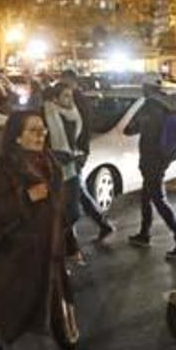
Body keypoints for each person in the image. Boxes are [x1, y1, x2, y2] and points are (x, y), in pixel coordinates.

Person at [0, 111, 104, 350]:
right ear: (16, 137)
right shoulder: (0, 169)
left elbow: (57, 213)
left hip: (48, 257)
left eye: (43, 129)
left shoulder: (50, 164)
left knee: (59, 315)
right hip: (14, 260)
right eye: (33, 130)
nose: (41, 134)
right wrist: (25, 198)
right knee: (9, 316)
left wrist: (70, 245)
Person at [44, 82, 115, 258]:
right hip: (56, 166)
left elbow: (83, 137)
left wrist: (82, 155)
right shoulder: (48, 114)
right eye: (65, 96)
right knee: (70, 206)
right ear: (55, 98)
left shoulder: (76, 113)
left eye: (71, 95)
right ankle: (68, 246)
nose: (70, 99)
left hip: (73, 164)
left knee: (73, 207)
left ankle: (69, 245)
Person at [124, 79, 176, 258]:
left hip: (153, 161)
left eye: (143, 86)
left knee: (159, 200)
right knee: (146, 197)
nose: (142, 89)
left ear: (147, 88)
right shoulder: (166, 103)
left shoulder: (151, 107)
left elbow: (142, 131)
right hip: (160, 159)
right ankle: (144, 234)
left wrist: (134, 127)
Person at [58, 70, 115, 242]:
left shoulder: (77, 102)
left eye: (64, 82)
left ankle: (69, 239)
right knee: (78, 191)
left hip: (75, 153)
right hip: (75, 152)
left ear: (72, 81)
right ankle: (102, 225)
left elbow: (81, 129)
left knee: (71, 193)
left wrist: (80, 152)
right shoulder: (75, 100)